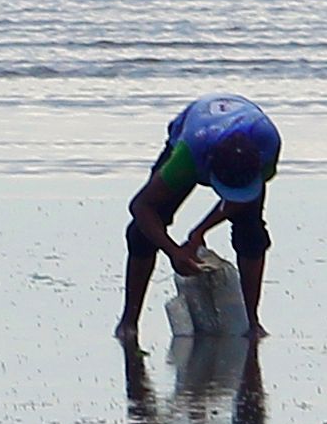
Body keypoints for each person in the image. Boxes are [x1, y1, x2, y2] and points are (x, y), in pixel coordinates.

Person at [116, 93, 281, 339]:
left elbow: (240, 200)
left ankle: (252, 322)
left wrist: (199, 231)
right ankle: (128, 322)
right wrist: (174, 251)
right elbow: (141, 206)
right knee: (141, 233)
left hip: (244, 127)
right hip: (194, 131)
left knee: (252, 234)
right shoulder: (188, 157)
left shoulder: (268, 146)